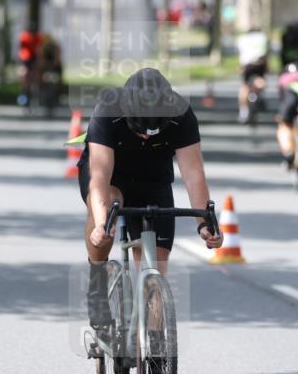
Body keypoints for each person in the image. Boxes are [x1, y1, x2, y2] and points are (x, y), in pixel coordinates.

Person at [77, 68, 224, 330]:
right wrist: (101, 224)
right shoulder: (108, 110)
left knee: (154, 265)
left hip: (153, 179)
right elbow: (100, 177)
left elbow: (193, 174)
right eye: (141, 129)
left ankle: (153, 344)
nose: (146, 136)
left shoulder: (181, 113)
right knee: (109, 211)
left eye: (154, 131)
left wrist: (204, 223)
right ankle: (97, 279)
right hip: (113, 177)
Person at [236, 28, 269, 124]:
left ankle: (243, 111)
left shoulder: (242, 38)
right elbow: (266, 53)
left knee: (245, 87)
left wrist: (241, 67)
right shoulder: (263, 37)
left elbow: (241, 53)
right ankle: (259, 96)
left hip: (247, 65)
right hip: (260, 64)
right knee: (261, 82)